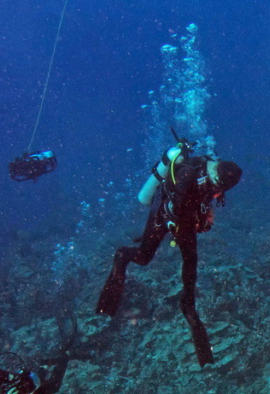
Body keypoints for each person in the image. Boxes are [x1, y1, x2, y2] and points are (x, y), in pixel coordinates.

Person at [95, 139, 242, 366]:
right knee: (143, 257)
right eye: (219, 186)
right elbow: (175, 206)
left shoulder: (215, 177)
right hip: (164, 212)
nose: (218, 190)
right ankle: (122, 256)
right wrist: (180, 227)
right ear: (218, 176)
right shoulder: (188, 175)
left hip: (184, 216)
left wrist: (203, 218)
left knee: (191, 259)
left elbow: (204, 201)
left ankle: (188, 304)